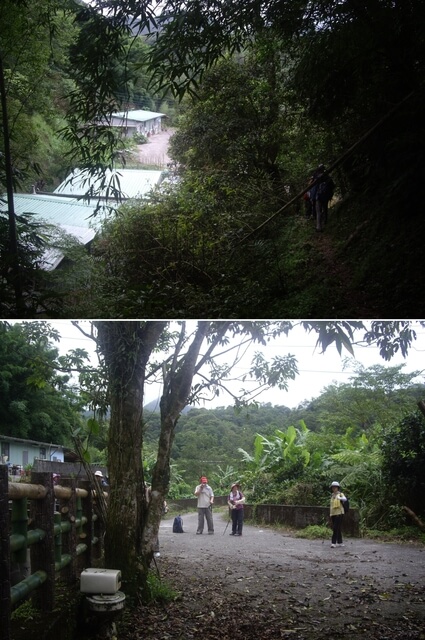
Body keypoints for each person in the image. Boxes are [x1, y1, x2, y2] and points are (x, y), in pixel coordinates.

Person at [312, 164, 335, 232]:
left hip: (319, 196)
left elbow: (314, 186)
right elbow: (332, 186)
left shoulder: (316, 176)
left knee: (318, 211)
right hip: (325, 196)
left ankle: (319, 227)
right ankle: (325, 221)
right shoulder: (327, 177)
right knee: (325, 209)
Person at [329, 480, 347, 547]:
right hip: (333, 514)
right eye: (333, 487)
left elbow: (345, 499)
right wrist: (330, 514)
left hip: (339, 513)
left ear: (338, 488)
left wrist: (339, 498)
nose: (334, 488)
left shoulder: (340, 494)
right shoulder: (332, 495)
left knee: (335, 527)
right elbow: (331, 506)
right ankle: (340, 542)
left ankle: (333, 542)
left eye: (335, 487)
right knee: (338, 528)